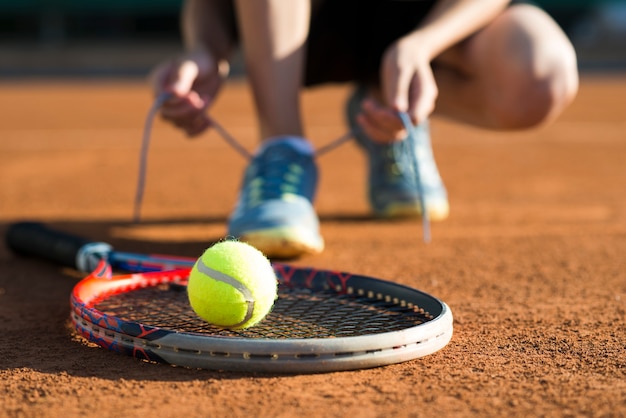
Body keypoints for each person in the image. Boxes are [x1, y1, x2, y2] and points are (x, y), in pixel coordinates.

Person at [152, 0, 579, 258]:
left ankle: (387, 103)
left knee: (543, 74)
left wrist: (422, 45)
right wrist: (206, 49)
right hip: (292, 31)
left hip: (417, 22)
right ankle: (282, 152)